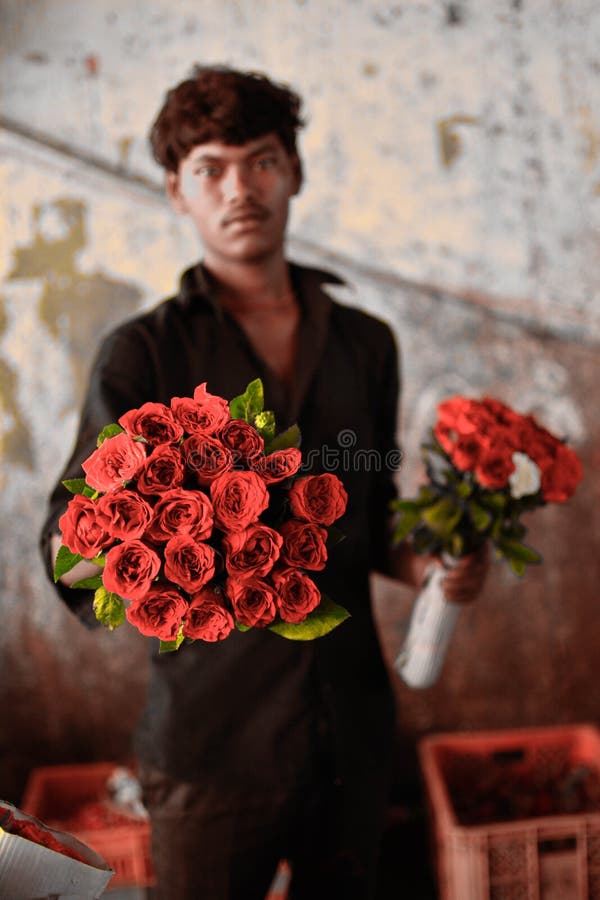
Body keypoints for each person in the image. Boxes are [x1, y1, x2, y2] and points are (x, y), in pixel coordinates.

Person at [41, 66, 487, 899]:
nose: (239, 187)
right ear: (177, 191)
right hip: (212, 748)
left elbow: (373, 510)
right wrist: (137, 538)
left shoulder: (366, 343)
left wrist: (436, 570)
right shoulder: (144, 355)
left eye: (261, 160)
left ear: (295, 173)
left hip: (351, 731)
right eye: (210, 167)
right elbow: (67, 550)